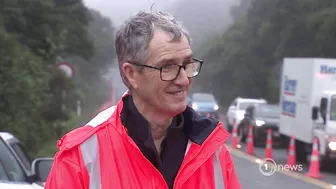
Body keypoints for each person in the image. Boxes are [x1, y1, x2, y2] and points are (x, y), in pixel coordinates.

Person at [45, 10, 241, 189]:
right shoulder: (80, 156)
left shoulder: (212, 149)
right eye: (168, 67)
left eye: (187, 64)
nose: (183, 79)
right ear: (131, 74)